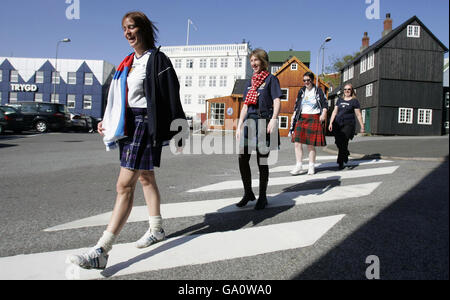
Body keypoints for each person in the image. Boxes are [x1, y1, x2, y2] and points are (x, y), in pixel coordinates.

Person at [69, 11, 187, 269]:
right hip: (128, 125)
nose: (127, 33)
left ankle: (102, 250)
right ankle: (156, 229)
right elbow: (119, 99)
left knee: (124, 185)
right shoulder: (127, 62)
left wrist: (180, 129)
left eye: (132, 27)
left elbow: (171, 93)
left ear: (143, 28)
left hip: (145, 124)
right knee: (146, 177)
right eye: (124, 28)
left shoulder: (156, 59)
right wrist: (108, 121)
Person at [235, 49, 282, 210]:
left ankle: (262, 197)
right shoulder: (250, 82)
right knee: (242, 158)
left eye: (256, 60)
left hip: (264, 120)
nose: (253, 63)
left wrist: (274, 119)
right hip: (250, 122)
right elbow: (245, 106)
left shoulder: (271, 80)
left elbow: (276, 100)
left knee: (262, 161)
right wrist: (239, 125)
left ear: (263, 61)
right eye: (251, 61)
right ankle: (248, 193)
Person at [289, 72, 328, 175]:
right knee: (297, 143)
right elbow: (297, 104)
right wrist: (294, 116)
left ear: (312, 80)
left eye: (308, 80)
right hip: (301, 118)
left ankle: (311, 166)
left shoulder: (318, 91)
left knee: (310, 145)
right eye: (304, 80)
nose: (306, 82)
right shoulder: (301, 91)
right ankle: (299, 166)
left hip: (314, 117)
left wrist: (323, 114)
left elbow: (325, 103)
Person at [328, 84, 365, 169]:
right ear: (343, 91)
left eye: (349, 89)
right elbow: (334, 111)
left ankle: (340, 162)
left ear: (352, 91)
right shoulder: (340, 100)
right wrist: (330, 122)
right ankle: (346, 153)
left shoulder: (354, 101)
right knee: (338, 142)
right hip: (338, 123)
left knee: (344, 141)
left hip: (349, 124)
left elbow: (358, 114)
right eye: (345, 89)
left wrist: (362, 126)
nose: (347, 91)